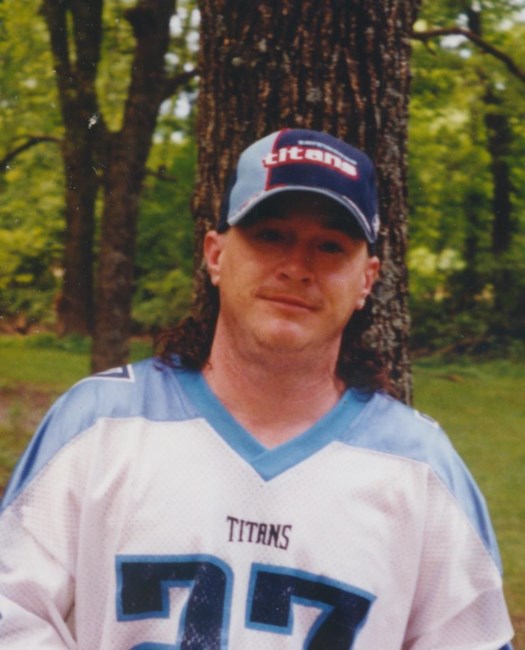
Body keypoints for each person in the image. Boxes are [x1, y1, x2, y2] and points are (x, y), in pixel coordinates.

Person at [0, 128, 514, 649]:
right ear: (215, 254)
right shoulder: (101, 422)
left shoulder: (419, 467)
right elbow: (12, 613)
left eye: (330, 246)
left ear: (367, 279)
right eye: (270, 235)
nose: (297, 268)